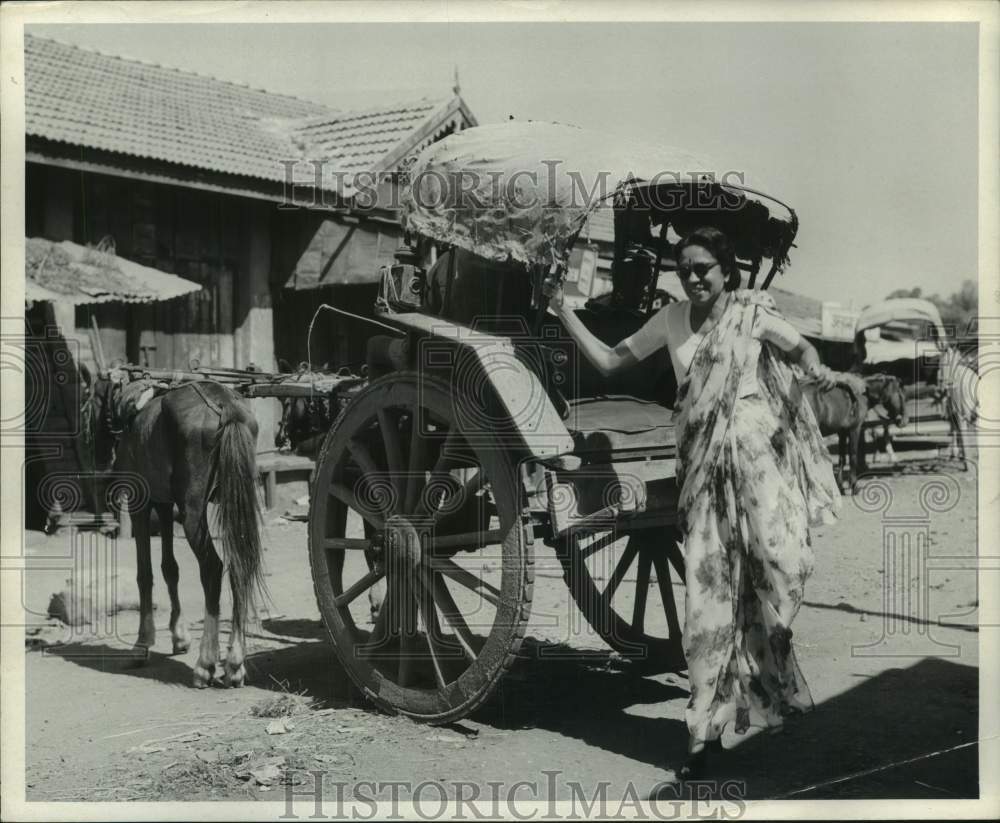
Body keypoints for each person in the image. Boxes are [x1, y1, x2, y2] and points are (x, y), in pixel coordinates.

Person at [545, 226, 842, 778]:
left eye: (704, 267)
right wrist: (564, 313)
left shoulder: (750, 315)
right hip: (703, 474)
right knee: (707, 601)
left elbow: (799, 346)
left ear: (726, 271)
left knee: (785, 567)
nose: (694, 276)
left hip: (759, 466)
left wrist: (811, 363)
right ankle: (700, 738)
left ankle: (757, 684)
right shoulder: (670, 320)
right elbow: (611, 362)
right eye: (685, 269)